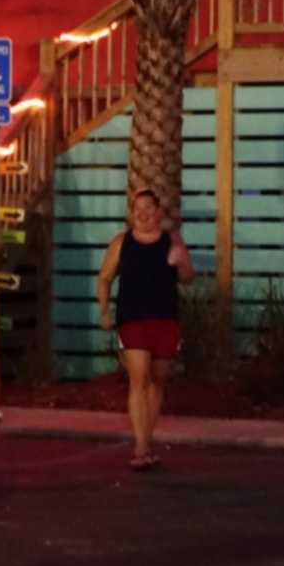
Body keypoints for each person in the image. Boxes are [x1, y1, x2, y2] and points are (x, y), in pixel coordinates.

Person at [94, 189, 193, 470]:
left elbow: (187, 278)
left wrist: (181, 260)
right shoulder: (121, 243)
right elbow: (104, 278)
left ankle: (146, 442)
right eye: (138, 208)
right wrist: (104, 310)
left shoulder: (172, 241)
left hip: (165, 318)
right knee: (139, 379)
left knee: (158, 380)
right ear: (131, 212)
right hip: (132, 318)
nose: (144, 212)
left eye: (149, 207)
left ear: (159, 212)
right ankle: (140, 448)